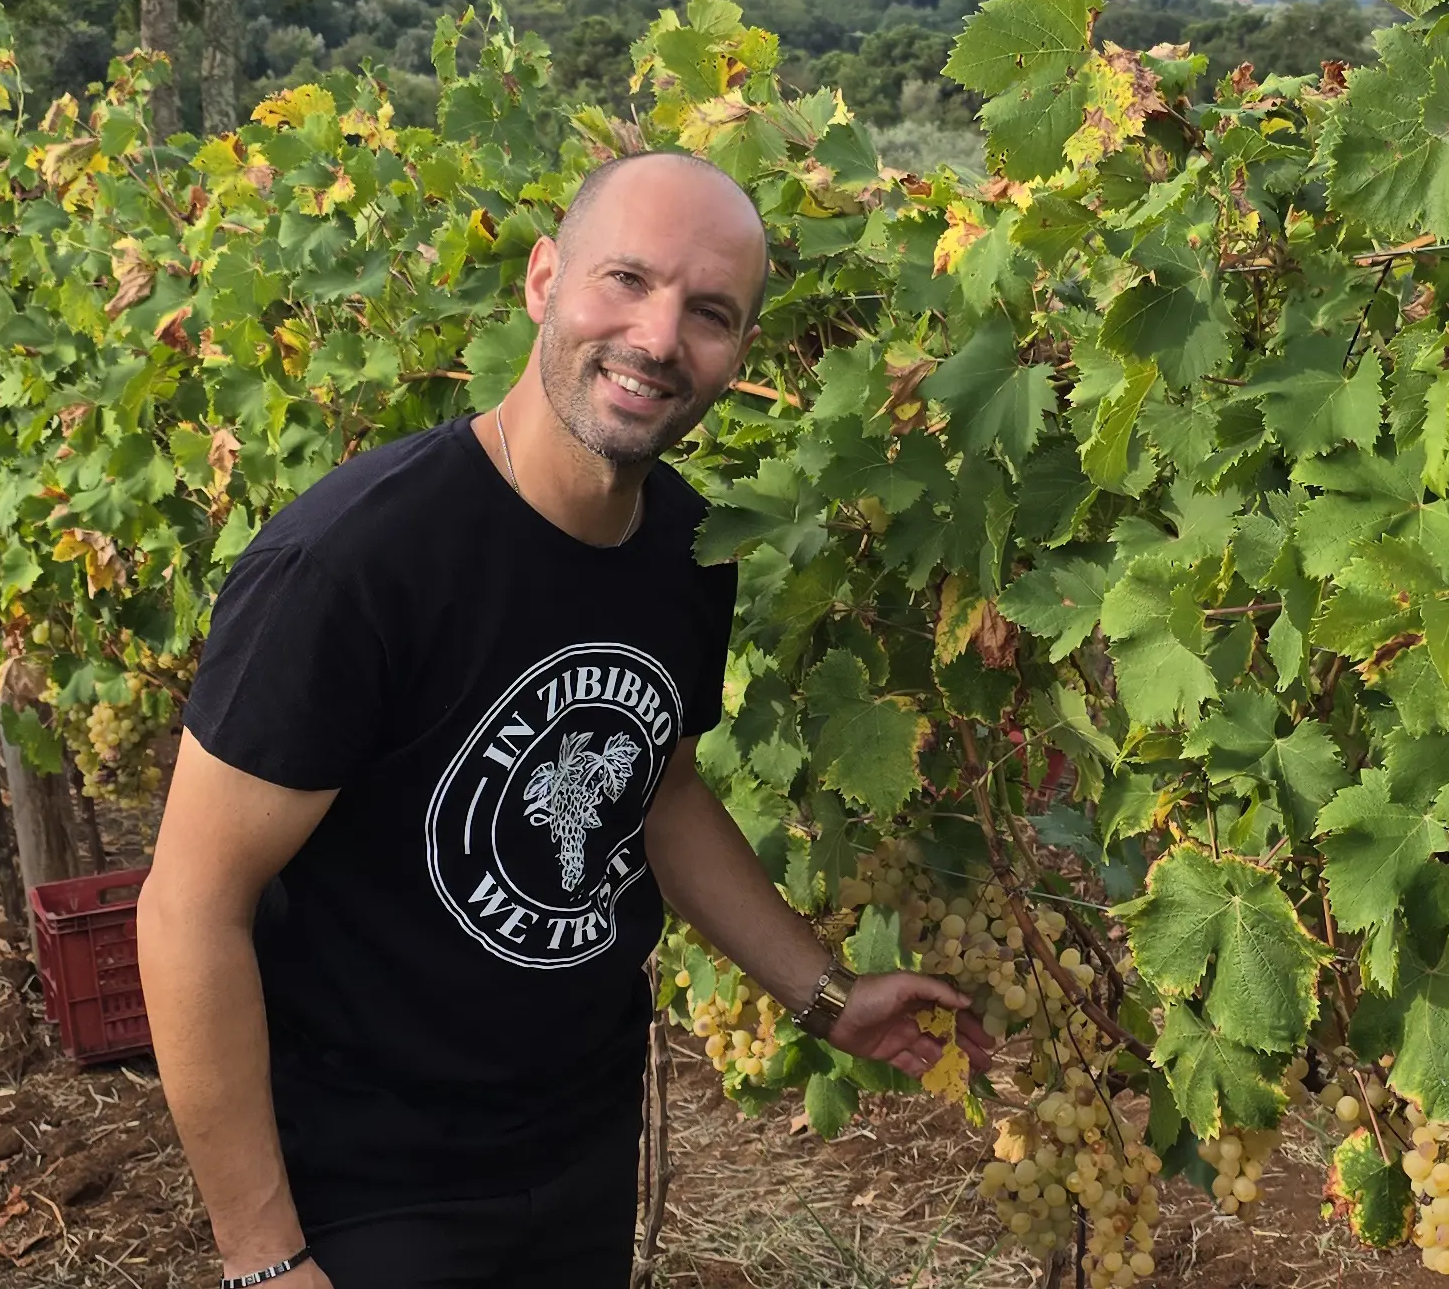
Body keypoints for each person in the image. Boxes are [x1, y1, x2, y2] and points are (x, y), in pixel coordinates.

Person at [142, 151, 989, 1289]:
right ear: (543, 280)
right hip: (373, 1184)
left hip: (577, 1147)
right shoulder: (351, 567)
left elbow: (662, 791)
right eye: (625, 281)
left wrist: (825, 994)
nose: (655, 338)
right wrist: (261, 1259)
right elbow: (191, 904)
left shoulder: (683, 550)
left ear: (738, 353)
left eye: (708, 313)